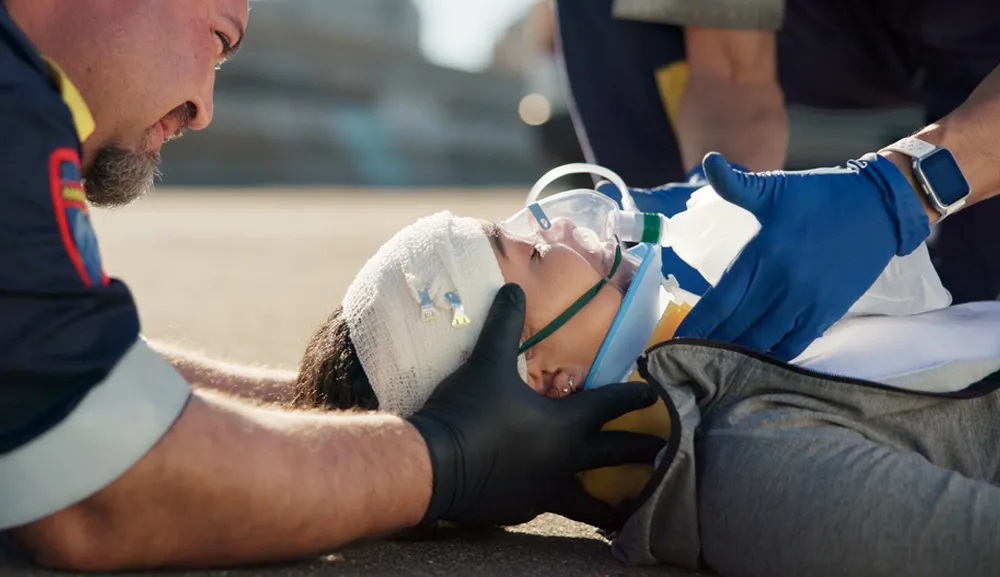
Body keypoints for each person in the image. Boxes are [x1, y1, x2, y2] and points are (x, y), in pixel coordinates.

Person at [0, 0, 667, 570]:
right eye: (216, 39)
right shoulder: (14, 114)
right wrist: (446, 459)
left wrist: (351, 411)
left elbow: (70, 374)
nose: (203, 106)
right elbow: (100, 484)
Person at [287, 206, 1000, 577]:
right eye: (534, 251)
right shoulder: (747, 465)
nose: (561, 224)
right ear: (540, 379)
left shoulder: (709, 363)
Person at [555, 0, 1000, 359]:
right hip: (860, 30)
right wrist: (722, 191)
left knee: (975, 334)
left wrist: (899, 191)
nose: (557, 230)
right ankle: (681, 333)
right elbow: (731, 67)